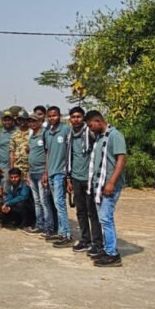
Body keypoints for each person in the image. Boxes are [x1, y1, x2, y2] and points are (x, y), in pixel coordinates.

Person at [85, 110, 127, 267]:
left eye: (90, 125)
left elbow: (121, 160)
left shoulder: (115, 135)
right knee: (103, 219)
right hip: (98, 186)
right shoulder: (99, 138)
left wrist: (111, 182)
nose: (90, 128)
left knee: (106, 218)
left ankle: (113, 255)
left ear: (98, 121)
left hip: (109, 185)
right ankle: (107, 249)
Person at [66, 107, 101, 254]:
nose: (76, 119)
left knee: (93, 212)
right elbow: (69, 157)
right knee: (80, 212)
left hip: (89, 179)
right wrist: (68, 179)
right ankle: (85, 239)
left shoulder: (90, 133)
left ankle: (97, 242)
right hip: (76, 178)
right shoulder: (70, 135)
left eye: (79, 117)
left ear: (83, 118)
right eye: (73, 117)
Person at [43, 106, 73, 247]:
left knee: (60, 204)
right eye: (49, 116)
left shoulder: (66, 130)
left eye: (54, 115)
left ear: (59, 116)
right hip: (51, 172)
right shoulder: (48, 132)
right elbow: (48, 153)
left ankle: (67, 234)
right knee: (56, 203)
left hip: (61, 173)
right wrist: (46, 172)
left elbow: (69, 152)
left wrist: (68, 175)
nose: (52, 118)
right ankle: (61, 232)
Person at [27, 113, 53, 238]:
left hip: (41, 172)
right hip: (32, 173)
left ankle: (49, 227)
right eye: (30, 121)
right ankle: (39, 224)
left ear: (40, 122)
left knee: (44, 201)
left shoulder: (44, 134)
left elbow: (48, 154)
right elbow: (30, 155)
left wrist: (46, 173)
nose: (32, 123)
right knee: (37, 201)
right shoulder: (31, 136)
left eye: (34, 121)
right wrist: (28, 173)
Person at [0, 112, 17, 186]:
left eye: (9, 120)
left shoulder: (17, 132)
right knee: (5, 187)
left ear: (12, 120)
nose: (7, 122)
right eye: (5, 120)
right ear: (2, 121)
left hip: (17, 166)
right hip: (4, 167)